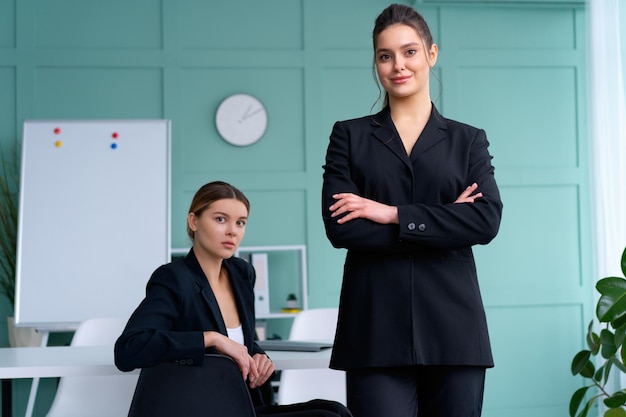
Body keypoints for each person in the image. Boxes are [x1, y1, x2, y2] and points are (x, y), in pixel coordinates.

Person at [321, 4, 503, 417]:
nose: (398, 65)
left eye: (409, 52)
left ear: (431, 54)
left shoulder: (468, 140)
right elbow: (342, 229)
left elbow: (485, 220)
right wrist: (445, 220)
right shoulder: (348, 137)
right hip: (374, 331)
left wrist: (391, 214)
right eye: (385, 56)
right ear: (376, 63)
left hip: (454, 330)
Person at [115, 181, 352, 417]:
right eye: (220, 219)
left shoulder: (242, 273)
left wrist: (260, 358)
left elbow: (244, 342)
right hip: (201, 406)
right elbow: (129, 349)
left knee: (337, 410)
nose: (232, 231)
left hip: (243, 401)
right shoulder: (174, 278)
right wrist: (211, 339)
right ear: (193, 221)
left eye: (240, 223)